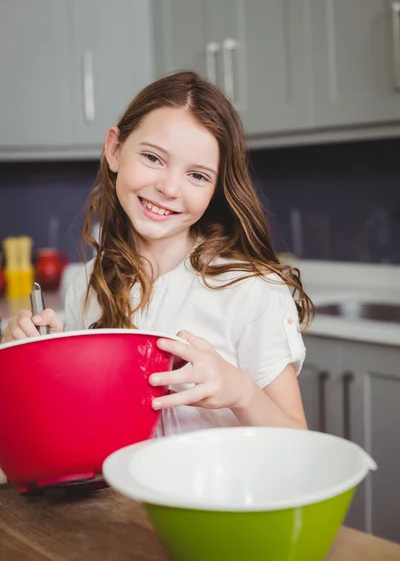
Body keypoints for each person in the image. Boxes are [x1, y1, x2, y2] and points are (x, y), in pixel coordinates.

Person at [1, 70, 314, 434]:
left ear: (216, 189)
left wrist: (241, 392)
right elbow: (69, 422)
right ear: (115, 150)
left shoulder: (250, 290)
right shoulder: (87, 286)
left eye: (197, 176)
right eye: (153, 157)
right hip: (117, 493)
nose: (168, 187)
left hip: (216, 490)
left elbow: (298, 438)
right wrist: (30, 360)